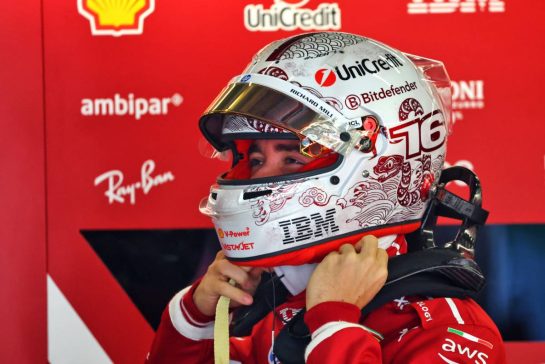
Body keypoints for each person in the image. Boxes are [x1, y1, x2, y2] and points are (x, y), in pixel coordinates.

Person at [146, 32, 506, 363]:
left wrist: (334, 320)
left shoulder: (452, 334)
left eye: (291, 158)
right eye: (255, 159)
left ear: (377, 162)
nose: (261, 177)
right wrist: (192, 319)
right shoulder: (273, 305)